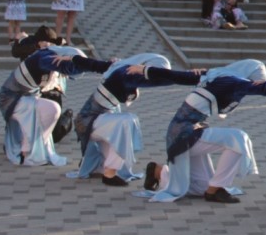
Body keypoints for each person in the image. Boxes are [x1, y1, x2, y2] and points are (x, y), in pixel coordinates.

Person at [144, 61, 266, 204]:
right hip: (183, 135)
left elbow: (177, 75)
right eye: (256, 80)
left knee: (198, 187)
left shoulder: (214, 74)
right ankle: (215, 191)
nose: (256, 84)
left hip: (183, 134)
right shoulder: (231, 81)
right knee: (237, 138)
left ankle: (158, 172)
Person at [72, 54, 203, 186]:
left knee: (125, 122)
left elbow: (93, 64)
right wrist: (198, 76)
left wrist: (70, 58)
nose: (156, 74)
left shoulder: (122, 67)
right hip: (88, 122)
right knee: (127, 121)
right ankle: (109, 174)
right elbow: (168, 78)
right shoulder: (127, 74)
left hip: (101, 120)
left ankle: (104, 167)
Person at [0, 28, 109, 166]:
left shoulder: (49, 55)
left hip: (33, 96)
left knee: (52, 111)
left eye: (50, 43)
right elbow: (72, 67)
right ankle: (26, 151)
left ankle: (32, 147)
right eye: (44, 42)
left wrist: (107, 65)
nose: (48, 45)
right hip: (12, 99)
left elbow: (75, 68)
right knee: (47, 111)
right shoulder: (42, 58)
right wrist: (107, 66)